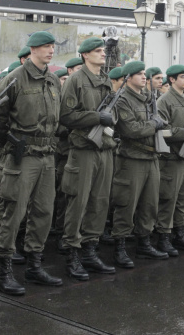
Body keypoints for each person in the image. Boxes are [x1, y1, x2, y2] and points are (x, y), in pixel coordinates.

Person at [0, 31, 62, 295]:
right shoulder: (14, 79)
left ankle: (35, 264)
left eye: (52, 46)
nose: (50, 51)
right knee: (13, 212)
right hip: (22, 156)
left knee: (44, 212)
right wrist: (10, 142)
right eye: (46, 46)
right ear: (32, 49)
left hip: (46, 155)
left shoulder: (53, 80)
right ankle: (5, 271)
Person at [59, 37, 117, 280]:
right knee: (78, 202)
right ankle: (72, 253)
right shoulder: (75, 80)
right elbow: (67, 115)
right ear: (85, 55)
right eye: (97, 51)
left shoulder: (106, 80)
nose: (102, 54)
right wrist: (96, 117)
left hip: (104, 149)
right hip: (83, 150)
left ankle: (90, 250)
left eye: (103, 50)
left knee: (99, 201)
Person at [109, 61, 169, 267]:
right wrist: (154, 124)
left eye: (145, 74)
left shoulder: (147, 98)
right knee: (126, 203)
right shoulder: (122, 100)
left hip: (152, 157)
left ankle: (144, 243)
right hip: (132, 158)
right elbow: (131, 130)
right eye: (139, 74)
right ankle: (120, 247)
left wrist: (157, 124)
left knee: (149, 204)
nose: (144, 77)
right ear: (128, 78)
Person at [154, 65, 184, 254]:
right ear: (172, 80)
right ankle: (163, 236)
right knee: (169, 198)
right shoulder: (164, 102)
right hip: (172, 157)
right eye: (182, 76)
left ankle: (179, 234)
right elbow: (163, 130)